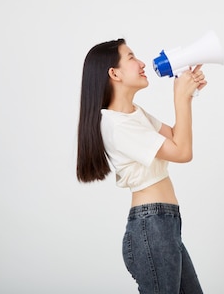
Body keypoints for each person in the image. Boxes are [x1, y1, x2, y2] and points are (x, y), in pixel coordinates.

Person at [76, 38, 206, 294]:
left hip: (164, 224)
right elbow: (183, 152)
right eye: (132, 57)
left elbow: (176, 137)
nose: (142, 63)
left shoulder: (134, 114)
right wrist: (178, 95)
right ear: (114, 73)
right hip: (152, 226)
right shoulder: (117, 125)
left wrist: (186, 96)